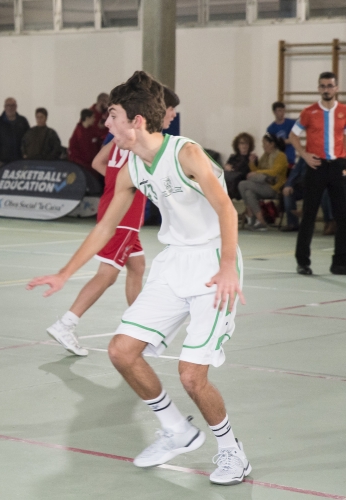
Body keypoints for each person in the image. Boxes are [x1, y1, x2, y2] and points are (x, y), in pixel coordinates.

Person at [29, 71, 250, 486]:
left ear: (137, 121)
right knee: (121, 351)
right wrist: (64, 274)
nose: (106, 123)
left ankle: (231, 452)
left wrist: (226, 266)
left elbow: (226, 208)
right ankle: (176, 429)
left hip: (212, 263)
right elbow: (104, 228)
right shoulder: (131, 166)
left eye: (112, 116)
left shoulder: (187, 154)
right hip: (174, 263)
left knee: (191, 375)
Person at [45, 85, 180, 357]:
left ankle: (138, 330)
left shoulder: (120, 138)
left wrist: (118, 183)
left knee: (137, 266)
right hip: (124, 216)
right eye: (171, 109)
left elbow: (98, 162)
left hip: (115, 207)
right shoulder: (144, 140)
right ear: (158, 109)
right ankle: (66, 323)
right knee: (106, 274)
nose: (174, 115)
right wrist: (129, 186)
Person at [290, 71, 346, 275]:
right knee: (309, 215)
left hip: (338, 166)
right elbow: (293, 135)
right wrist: (304, 155)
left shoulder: (344, 111)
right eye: (323, 86)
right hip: (316, 167)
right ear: (318, 88)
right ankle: (303, 262)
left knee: (343, 216)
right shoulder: (309, 112)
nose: (326, 89)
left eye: (330, 85)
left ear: (336, 88)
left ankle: (340, 262)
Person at [238, 134, 289, 231]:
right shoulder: (265, 156)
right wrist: (252, 162)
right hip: (263, 185)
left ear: (272, 144)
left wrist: (257, 173)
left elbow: (274, 172)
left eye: (265, 143)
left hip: (274, 187)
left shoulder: (281, 156)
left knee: (242, 184)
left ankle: (250, 213)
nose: (263, 146)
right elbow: (257, 170)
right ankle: (261, 221)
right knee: (248, 193)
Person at [0, 97, 30, 164]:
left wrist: (25, 152)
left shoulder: (22, 121)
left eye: (12, 105)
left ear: (16, 106)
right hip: (3, 160)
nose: (10, 108)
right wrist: (0, 152)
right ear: (4, 107)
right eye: (8, 105)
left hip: (20, 159)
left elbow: (28, 138)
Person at [223, 133, 257, 200]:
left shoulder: (252, 158)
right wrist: (226, 167)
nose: (244, 145)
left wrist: (232, 169)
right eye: (242, 143)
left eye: (246, 143)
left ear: (249, 145)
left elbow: (245, 172)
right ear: (237, 145)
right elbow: (227, 168)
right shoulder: (233, 157)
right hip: (230, 181)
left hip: (241, 182)